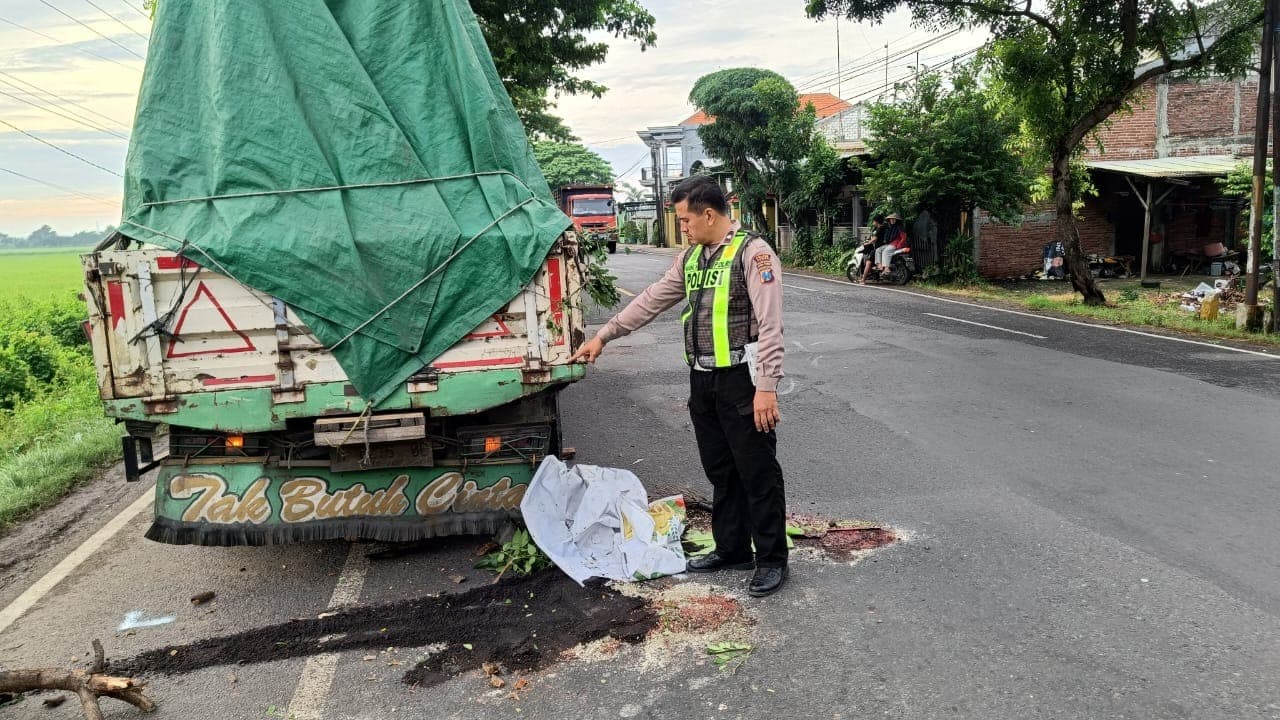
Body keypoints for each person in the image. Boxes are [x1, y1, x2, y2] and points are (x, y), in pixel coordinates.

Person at [569, 174, 789, 598]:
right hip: (703, 381)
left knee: (757, 472)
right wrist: (604, 335)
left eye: (686, 219)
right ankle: (732, 549)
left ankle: (772, 559)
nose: (682, 227)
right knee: (722, 471)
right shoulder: (692, 258)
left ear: (709, 214)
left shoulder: (753, 254)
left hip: (743, 381)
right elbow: (651, 300)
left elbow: (772, 326)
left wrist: (767, 386)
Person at [858, 214, 887, 284]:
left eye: (873, 221)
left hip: (879, 248)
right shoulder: (884, 228)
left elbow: (874, 239)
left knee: (868, 262)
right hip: (884, 248)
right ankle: (877, 277)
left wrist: (868, 243)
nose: (873, 223)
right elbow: (872, 237)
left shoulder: (880, 228)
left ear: (877, 221)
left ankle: (863, 280)